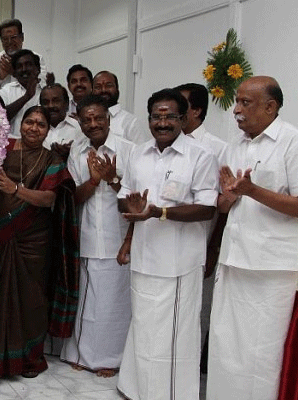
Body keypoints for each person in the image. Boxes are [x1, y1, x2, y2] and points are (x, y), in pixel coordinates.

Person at [116, 88, 218, 400]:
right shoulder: (137, 153)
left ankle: (170, 394)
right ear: (148, 119)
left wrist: (158, 212)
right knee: (144, 327)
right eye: (156, 117)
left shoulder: (200, 155)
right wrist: (131, 209)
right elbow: (124, 197)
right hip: (144, 257)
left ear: (184, 119)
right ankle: (136, 388)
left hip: (179, 263)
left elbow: (207, 208)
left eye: (170, 116)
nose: (162, 123)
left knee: (174, 335)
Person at [207, 76, 298, 400]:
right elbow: (224, 205)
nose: (236, 109)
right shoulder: (235, 145)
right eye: (237, 101)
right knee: (226, 345)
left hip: (272, 269)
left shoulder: (291, 141)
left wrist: (252, 190)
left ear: (270, 107)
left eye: (245, 102)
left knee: (262, 353)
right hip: (234, 260)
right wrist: (229, 197)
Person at [0, 106, 69, 378]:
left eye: (41, 124)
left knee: (32, 298)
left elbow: (49, 199)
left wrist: (15, 189)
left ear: (48, 131)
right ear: (21, 124)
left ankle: (29, 359)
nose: (34, 128)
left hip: (34, 239)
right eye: (29, 122)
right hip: (1, 232)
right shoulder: (2, 149)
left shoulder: (52, 160)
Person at [59, 94, 133, 377]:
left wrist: (112, 179)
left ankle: (112, 359)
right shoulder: (77, 152)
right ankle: (82, 354)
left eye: (98, 118)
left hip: (119, 237)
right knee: (87, 301)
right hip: (88, 235)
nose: (93, 124)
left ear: (109, 119)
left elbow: (136, 199)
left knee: (115, 303)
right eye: (86, 119)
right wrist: (93, 180)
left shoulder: (128, 150)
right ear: (79, 122)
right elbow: (73, 198)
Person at [174, 82, 227, 374]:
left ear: (196, 110)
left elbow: (223, 205)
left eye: (180, 105)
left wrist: (214, 246)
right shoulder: (167, 142)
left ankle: (190, 372)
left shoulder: (217, 148)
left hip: (201, 240)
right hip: (168, 240)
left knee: (197, 309)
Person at [0, 19, 48, 92]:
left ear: (22, 37)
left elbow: (42, 86)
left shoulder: (36, 59)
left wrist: (14, 73)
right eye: (5, 39)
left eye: (13, 37)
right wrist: (0, 79)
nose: (9, 42)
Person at [92, 71, 150, 145]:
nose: (103, 90)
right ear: (92, 92)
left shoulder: (131, 122)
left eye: (108, 86)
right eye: (98, 87)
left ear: (117, 90)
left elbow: (142, 150)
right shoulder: (87, 122)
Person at [0, 49, 44, 138]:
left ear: (38, 69)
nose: (24, 69)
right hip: (12, 142)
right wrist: (26, 97)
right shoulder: (7, 90)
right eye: (19, 66)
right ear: (14, 73)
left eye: (28, 65)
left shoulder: (45, 91)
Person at [39, 83, 83, 151]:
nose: (51, 106)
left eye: (56, 101)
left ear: (66, 104)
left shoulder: (78, 128)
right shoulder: (35, 129)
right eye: (45, 102)